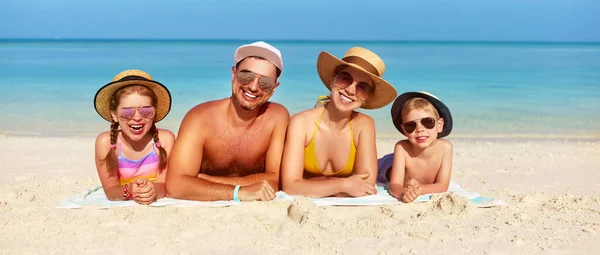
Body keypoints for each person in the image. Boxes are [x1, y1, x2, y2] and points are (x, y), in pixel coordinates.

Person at [165, 41, 290, 202]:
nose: (253, 87)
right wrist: (240, 192)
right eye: (246, 76)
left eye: (265, 82)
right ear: (233, 74)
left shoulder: (277, 118)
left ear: (274, 88)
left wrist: (204, 180)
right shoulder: (200, 118)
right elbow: (175, 186)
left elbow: (276, 180)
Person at [281, 47, 398, 198]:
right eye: (345, 78)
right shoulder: (301, 122)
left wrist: (310, 185)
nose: (350, 90)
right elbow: (290, 187)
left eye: (362, 86)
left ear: (368, 96)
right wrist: (344, 184)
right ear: (332, 80)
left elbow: (366, 187)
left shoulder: (364, 125)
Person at [94, 70, 175, 204]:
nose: (137, 117)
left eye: (146, 111)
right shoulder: (106, 143)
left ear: (154, 113)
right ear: (114, 114)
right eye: (127, 112)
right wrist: (129, 190)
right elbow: (110, 190)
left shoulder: (165, 140)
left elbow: (165, 185)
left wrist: (152, 190)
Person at [377, 91, 454, 203]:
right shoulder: (401, 147)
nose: (419, 129)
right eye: (411, 125)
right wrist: (403, 192)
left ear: (439, 125)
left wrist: (417, 190)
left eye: (427, 122)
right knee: (367, 170)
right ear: (404, 130)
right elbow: (394, 185)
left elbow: (442, 186)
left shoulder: (445, 148)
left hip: (405, 167)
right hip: (387, 164)